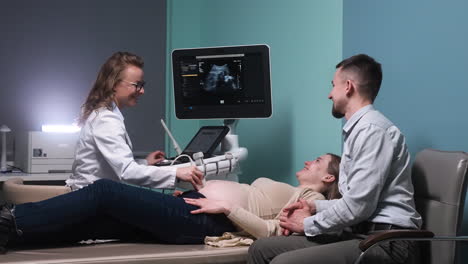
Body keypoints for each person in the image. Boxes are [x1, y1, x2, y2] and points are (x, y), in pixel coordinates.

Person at [247, 54, 422, 264]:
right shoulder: (360, 131)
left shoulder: (373, 131)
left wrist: (307, 224)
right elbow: (356, 202)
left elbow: (359, 207)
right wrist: (313, 208)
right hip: (361, 234)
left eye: (333, 86)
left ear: (348, 86)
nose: (330, 94)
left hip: (388, 242)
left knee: (284, 262)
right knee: (260, 249)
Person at [0, 154, 340, 252]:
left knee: (105, 191)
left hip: (207, 222)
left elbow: (272, 232)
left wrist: (226, 208)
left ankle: (9, 222)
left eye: (319, 161)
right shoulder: (297, 191)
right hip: (192, 207)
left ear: (328, 179)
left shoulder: (311, 200)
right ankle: (16, 236)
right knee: (97, 222)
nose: (310, 161)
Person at [65, 51, 203, 190]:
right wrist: (176, 172)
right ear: (114, 84)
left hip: (97, 194)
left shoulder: (103, 114)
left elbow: (116, 165)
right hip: (93, 199)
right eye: (137, 85)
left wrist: (144, 162)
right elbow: (126, 171)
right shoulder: (106, 119)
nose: (142, 91)